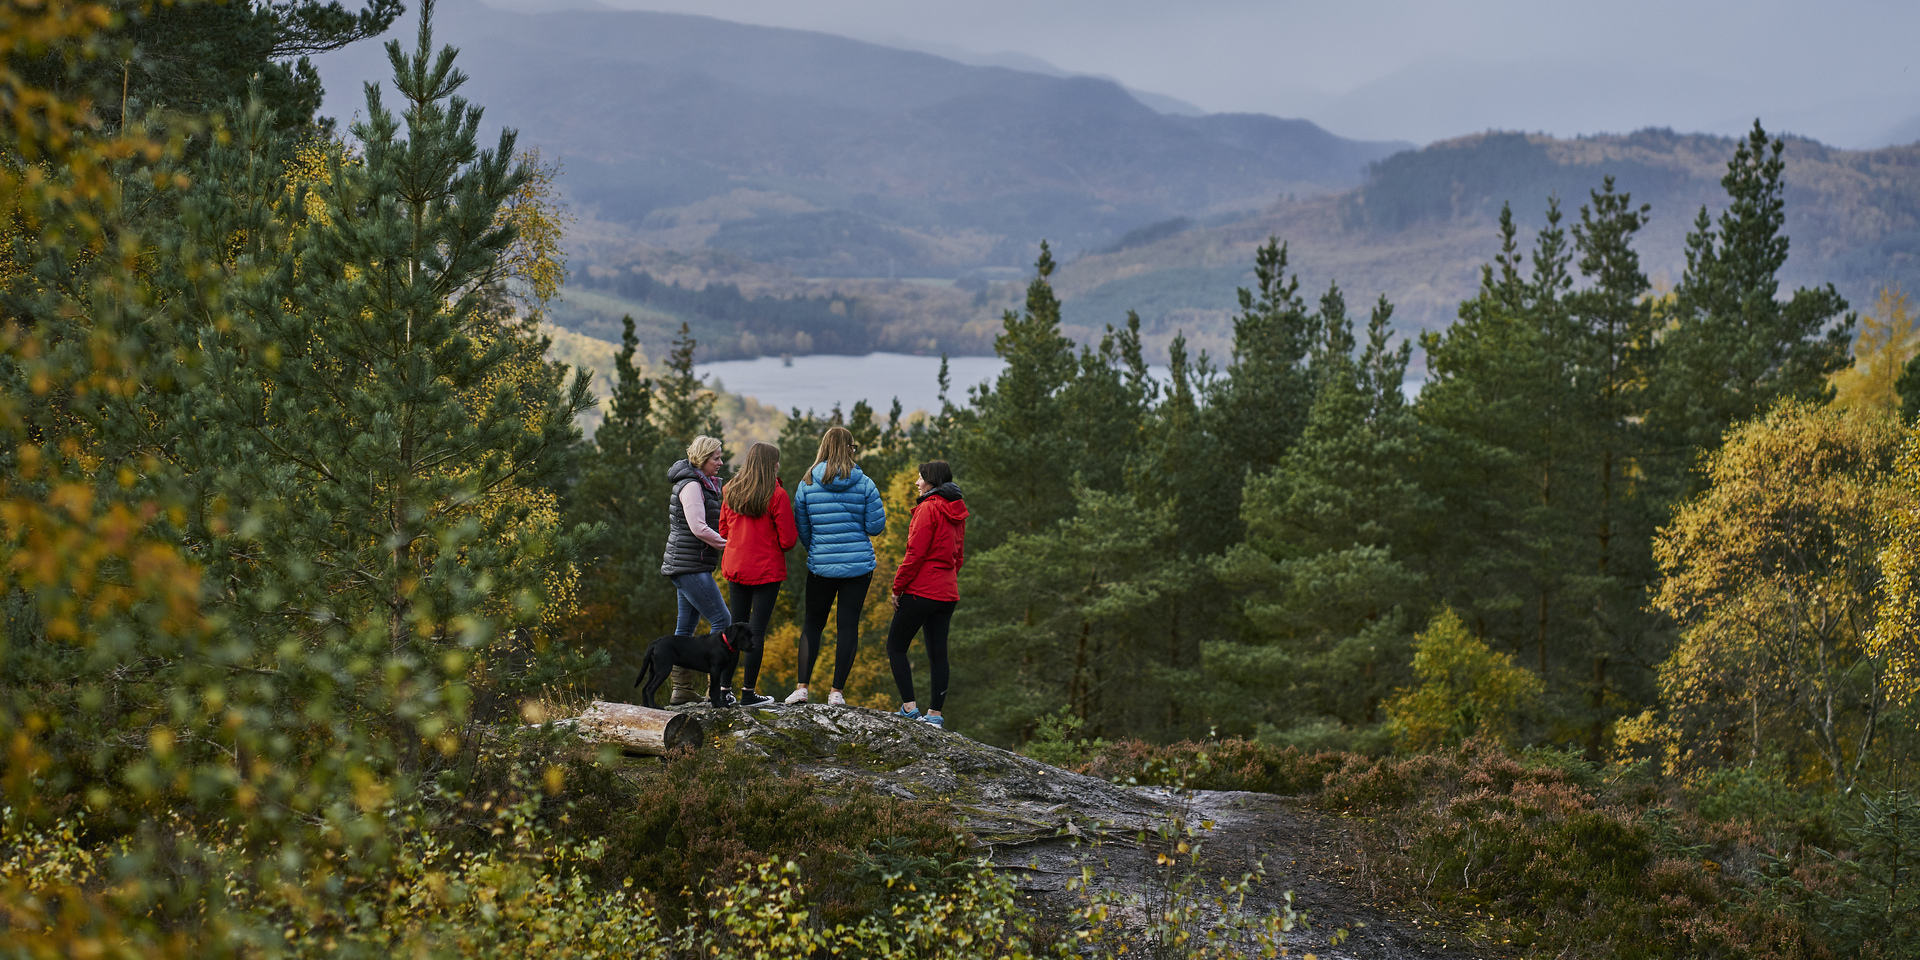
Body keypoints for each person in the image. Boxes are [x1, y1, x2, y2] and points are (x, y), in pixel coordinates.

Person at [787, 426, 886, 706]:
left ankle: (802, 688)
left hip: (821, 566)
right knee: (847, 627)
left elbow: (802, 529)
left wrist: (819, 550)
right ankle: (836, 693)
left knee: (813, 625)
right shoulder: (865, 483)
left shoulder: (807, 482)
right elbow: (876, 527)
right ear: (849, 449)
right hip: (858, 567)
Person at [886, 461, 967, 728]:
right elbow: (959, 557)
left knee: (896, 646)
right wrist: (946, 579)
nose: (917, 483)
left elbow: (915, 554)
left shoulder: (927, 509)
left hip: (921, 589)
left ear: (931, 481)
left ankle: (910, 709)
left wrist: (898, 588)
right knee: (938, 654)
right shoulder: (957, 510)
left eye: (920, 478)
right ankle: (934, 716)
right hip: (947, 592)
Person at [718, 441, 797, 707]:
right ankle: (748, 692)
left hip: (736, 567)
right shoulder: (776, 495)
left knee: (733, 630)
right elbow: (788, 540)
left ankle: (722, 689)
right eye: (777, 461)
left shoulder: (730, 490)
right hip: (766, 570)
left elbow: (723, 531)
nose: (779, 466)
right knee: (757, 633)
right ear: (771, 464)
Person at [660, 436, 733, 706]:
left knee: (686, 626)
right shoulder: (691, 485)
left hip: (691, 563)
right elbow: (698, 527)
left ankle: (681, 690)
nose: (721, 462)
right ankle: (716, 692)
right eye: (716, 458)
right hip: (687, 565)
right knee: (723, 620)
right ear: (702, 459)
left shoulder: (705, 484)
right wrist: (730, 545)